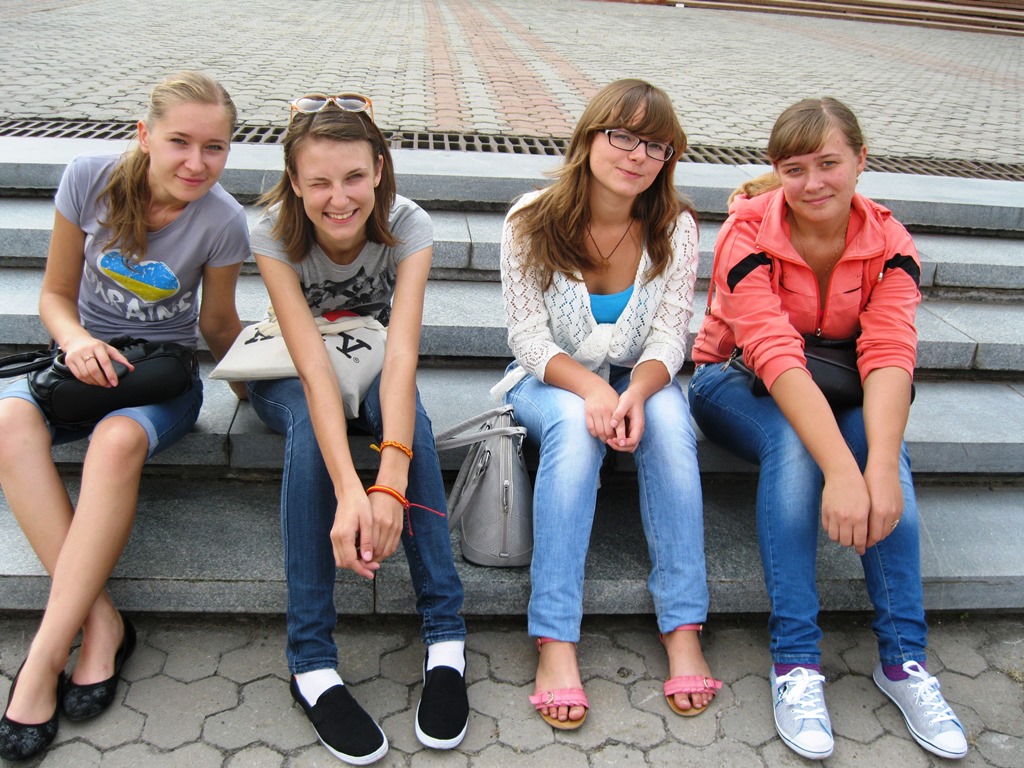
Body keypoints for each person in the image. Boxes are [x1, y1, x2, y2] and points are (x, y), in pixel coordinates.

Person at [688, 97, 968, 761]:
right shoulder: (747, 231)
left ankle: (904, 662)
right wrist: (841, 471)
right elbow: (772, 353)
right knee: (795, 445)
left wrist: (878, 471)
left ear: (861, 160)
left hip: (838, 382)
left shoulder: (890, 243)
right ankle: (795, 661)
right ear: (776, 171)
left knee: (882, 450)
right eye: (794, 169)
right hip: (733, 380)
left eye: (829, 163)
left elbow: (890, 353)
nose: (813, 182)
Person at [0, 71, 249, 762]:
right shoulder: (89, 178)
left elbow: (218, 324)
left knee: (114, 441)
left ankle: (41, 660)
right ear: (144, 134)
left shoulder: (223, 220)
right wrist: (77, 341)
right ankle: (102, 621)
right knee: (7, 422)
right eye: (179, 142)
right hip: (79, 367)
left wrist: (259, 394)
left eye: (215, 147)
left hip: (158, 381)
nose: (197, 163)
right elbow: (54, 295)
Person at [247, 93, 468, 765]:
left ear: (378, 170)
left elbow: (401, 358)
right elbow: (314, 373)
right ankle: (311, 663)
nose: (338, 199)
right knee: (309, 428)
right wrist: (352, 490)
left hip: (372, 359)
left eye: (353, 177)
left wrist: (390, 483)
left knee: (409, 421)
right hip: (290, 369)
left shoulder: (408, 224)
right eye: (318, 181)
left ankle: (447, 641)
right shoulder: (271, 231)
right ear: (294, 181)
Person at [493, 79, 720, 730]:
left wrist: (637, 392)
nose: (637, 155)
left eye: (656, 145)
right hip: (549, 378)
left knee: (671, 421)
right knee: (575, 424)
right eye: (622, 135)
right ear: (590, 137)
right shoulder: (531, 220)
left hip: (639, 376)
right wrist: (594, 390)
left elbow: (669, 337)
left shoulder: (674, 226)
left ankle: (683, 625)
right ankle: (555, 636)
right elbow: (528, 339)